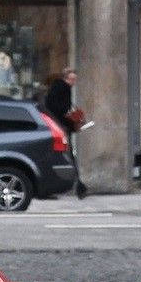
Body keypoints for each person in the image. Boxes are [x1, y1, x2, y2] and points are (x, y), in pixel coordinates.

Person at [40, 68, 86, 198]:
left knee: (65, 155)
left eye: (74, 80)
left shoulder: (58, 88)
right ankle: (77, 185)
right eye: (72, 79)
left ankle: (77, 185)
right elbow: (62, 108)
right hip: (61, 127)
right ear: (67, 78)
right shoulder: (64, 88)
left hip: (57, 126)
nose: (73, 82)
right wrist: (72, 119)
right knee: (68, 155)